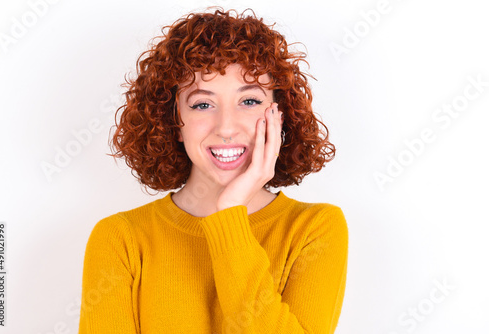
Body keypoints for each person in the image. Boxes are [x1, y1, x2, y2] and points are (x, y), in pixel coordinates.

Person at [78, 7, 348, 334]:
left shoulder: (314, 230)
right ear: (175, 121)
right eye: (202, 104)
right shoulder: (120, 239)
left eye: (248, 101)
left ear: (280, 114)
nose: (226, 128)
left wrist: (230, 213)